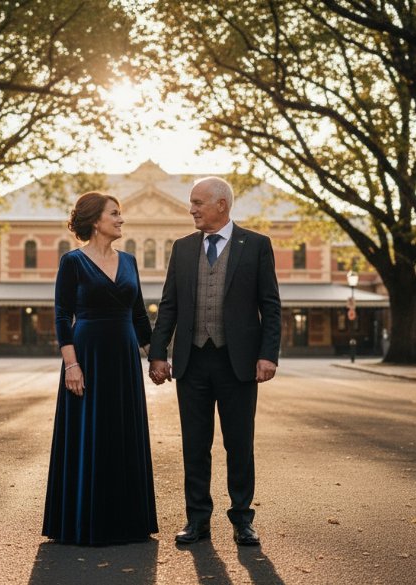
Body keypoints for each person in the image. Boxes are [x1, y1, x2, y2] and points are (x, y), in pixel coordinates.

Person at [148, 176, 281, 547]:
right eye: (191, 203)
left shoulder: (255, 246)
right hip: (192, 362)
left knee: (239, 444)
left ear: (221, 204)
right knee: (195, 445)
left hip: (237, 363)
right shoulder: (183, 248)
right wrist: (158, 353)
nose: (191, 209)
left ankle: (242, 519)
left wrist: (268, 355)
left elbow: (270, 306)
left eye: (197, 202)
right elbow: (169, 304)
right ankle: (197, 520)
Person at [42, 191, 158, 545]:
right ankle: (82, 522)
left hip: (124, 358)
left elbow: (139, 315)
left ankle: (127, 522)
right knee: (88, 434)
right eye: (115, 213)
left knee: (123, 431)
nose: (121, 219)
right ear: (96, 221)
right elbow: (62, 315)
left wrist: (155, 356)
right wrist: (71, 365)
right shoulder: (72, 262)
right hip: (87, 355)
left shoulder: (130, 262)